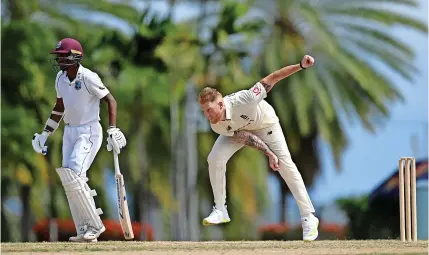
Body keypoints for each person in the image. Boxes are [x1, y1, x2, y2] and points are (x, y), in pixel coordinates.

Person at [198, 55, 319, 241]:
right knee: (215, 158)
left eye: (209, 110)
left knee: (286, 164)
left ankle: (308, 217)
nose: (206, 115)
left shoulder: (245, 99)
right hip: (243, 130)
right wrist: (267, 152)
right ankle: (220, 209)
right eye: (204, 111)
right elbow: (244, 137)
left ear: (221, 104)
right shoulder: (216, 124)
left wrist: (301, 66)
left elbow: (273, 78)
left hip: (266, 124)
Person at [31, 38, 127, 242]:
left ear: (75, 57)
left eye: (62, 56)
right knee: (69, 179)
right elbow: (59, 107)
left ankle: (95, 225)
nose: (59, 61)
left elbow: (110, 100)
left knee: (75, 172)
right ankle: (85, 230)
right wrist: (45, 133)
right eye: (58, 57)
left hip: (89, 132)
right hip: (69, 132)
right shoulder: (60, 78)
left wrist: (112, 129)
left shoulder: (89, 77)